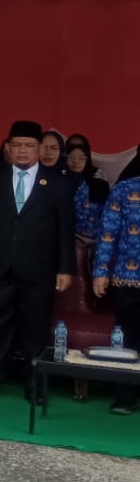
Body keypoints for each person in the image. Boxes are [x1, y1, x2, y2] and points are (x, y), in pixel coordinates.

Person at [0, 120, 76, 400]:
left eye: (29, 146)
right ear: (8, 149)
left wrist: (65, 268)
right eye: (18, 146)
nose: (23, 151)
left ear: (39, 149)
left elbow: (65, 230)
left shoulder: (58, 185)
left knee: (35, 329)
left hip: (39, 268)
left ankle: (34, 384)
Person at [92, 177, 140, 414]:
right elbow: (107, 233)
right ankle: (124, 396)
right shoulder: (125, 189)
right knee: (126, 338)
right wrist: (101, 271)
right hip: (126, 278)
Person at [64, 140, 109, 243]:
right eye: (71, 157)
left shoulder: (98, 178)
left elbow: (106, 209)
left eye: (81, 158)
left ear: (87, 159)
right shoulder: (59, 179)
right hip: (67, 236)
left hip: (95, 236)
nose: (76, 161)